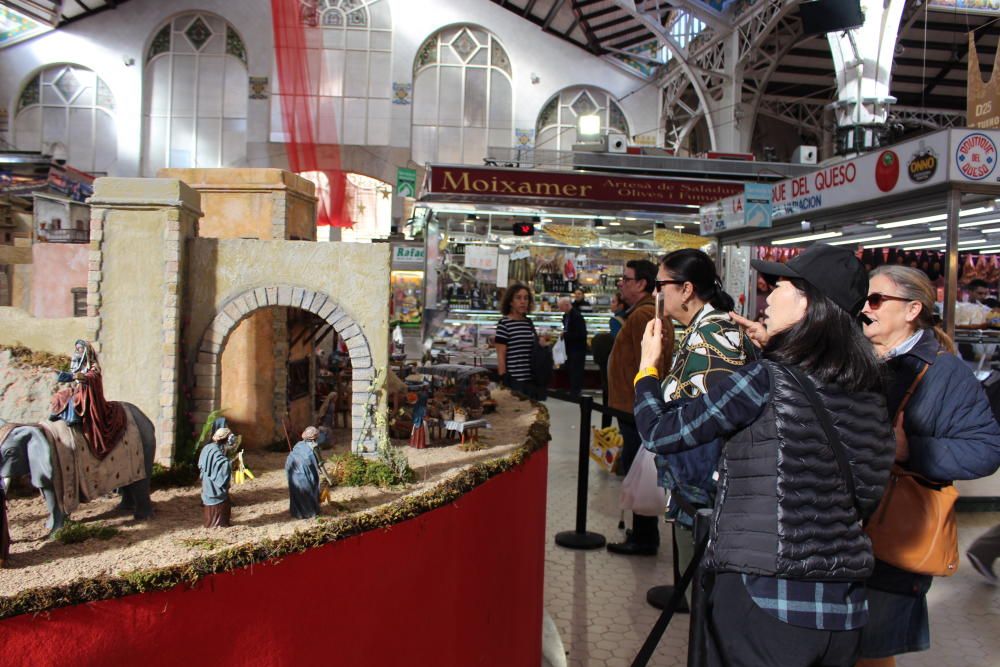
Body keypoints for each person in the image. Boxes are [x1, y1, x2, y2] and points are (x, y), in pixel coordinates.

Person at [636, 244, 896, 666]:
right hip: (843, 608)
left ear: (810, 302)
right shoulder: (869, 388)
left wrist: (647, 370)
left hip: (764, 594)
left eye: (781, 286)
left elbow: (661, 433)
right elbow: (866, 491)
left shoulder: (765, 380)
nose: (768, 295)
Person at [857, 265, 1000, 666]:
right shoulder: (858, 357)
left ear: (912, 309)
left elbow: (985, 451)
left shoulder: (944, 372)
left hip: (893, 531)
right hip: (845, 528)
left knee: (870, 646)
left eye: (876, 299)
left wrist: (910, 451)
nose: (865, 308)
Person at [637, 250, 755, 594]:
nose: (656, 294)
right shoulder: (708, 327)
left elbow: (674, 427)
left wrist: (648, 367)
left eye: (661, 285)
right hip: (702, 488)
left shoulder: (709, 336)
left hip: (706, 494)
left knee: (703, 595)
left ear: (686, 289)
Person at [607, 259, 668, 556]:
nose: (622, 283)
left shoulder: (645, 315)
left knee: (639, 468)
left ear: (642, 283)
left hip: (636, 408)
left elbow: (650, 363)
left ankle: (644, 537)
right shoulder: (643, 313)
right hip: (634, 405)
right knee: (636, 467)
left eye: (626, 279)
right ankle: (642, 531)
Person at [49, 339, 127, 458]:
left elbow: (93, 377)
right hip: (79, 390)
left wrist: (85, 377)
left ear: (86, 351)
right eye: (77, 349)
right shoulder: (78, 366)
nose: (78, 351)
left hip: (90, 395)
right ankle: (58, 415)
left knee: (75, 399)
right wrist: (62, 375)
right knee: (60, 396)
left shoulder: (93, 366)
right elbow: (72, 377)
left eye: (80, 349)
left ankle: (73, 419)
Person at [495, 283, 545, 400]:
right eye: (518, 298)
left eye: (526, 298)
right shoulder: (504, 324)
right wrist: (503, 379)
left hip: (531, 381)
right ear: (510, 302)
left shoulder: (528, 323)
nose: (523, 301)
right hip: (514, 381)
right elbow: (501, 355)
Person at [198, 427, 233, 528]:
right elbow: (222, 464)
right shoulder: (215, 450)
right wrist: (231, 463)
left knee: (223, 503)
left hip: (208, 480)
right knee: (220, 503)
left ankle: (215, 523)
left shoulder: (208, 447)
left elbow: (201, 464)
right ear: (225, 438)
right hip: (213, 483)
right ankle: (217, 524)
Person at [286, 426, 323, 519]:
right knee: (307, 489)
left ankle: (297, 512)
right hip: (303, 471)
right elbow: (320, 463)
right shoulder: (314, 447)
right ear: (315, 437)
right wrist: (327, 476)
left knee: (297, 489)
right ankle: (309, 512)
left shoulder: (298, 444)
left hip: (292, 468)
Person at [558, 295, 588, 396]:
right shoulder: (566, 316)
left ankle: (575, 392)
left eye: (561, 307)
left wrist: (565, 334)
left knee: (576, 371)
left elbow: (581, 334)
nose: (559, 309)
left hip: (577, 350)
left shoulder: (576, 316)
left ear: (567, 305)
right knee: (571, 370)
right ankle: (572, 390)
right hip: (570, 349)